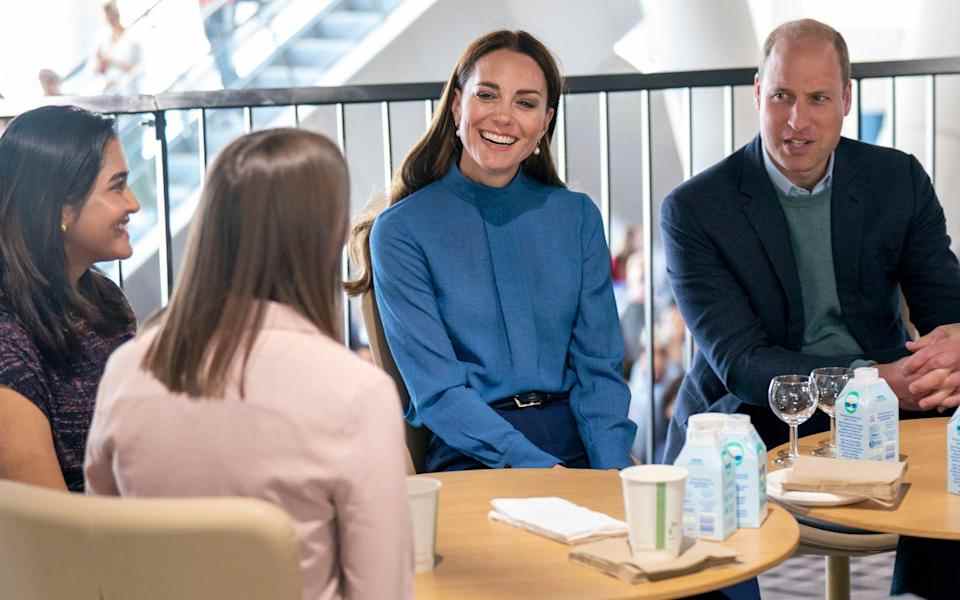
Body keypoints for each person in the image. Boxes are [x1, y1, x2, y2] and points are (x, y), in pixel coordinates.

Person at [661, 19, 960, 600]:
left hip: (887, 403)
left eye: (818, 98)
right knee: (707, 483)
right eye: (781, 97)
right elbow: (742, 362)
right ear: (757, 93)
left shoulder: (896, 179)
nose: (797, 121)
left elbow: (947, 308)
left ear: (846, 99)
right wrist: (873, 382)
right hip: (759, 406)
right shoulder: (696, 208)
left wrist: (954, 347)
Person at [85, 128, 413, 600]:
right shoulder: (356, 392)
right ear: (327, 237)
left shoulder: (127, 370)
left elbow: (101, 552)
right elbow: (381, 591)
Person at [347, 30, 635, 472]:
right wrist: (546, 474)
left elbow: (600, 370)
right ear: (458, 105)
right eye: (487, 95)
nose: (503, 117)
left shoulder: (576, 217)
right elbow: (438, 393)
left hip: (578, 443)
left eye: (525, 103)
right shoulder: (400, 231)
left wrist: (613, 474)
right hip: (472, 454)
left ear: (544, 122)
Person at [0, 105, 140, 492]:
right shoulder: (7, 342)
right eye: (116, 186)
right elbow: (47, 525)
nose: (133, 203)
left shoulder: (104, 300)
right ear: (61, 205)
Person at [92, 1, 142, 94]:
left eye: (111, 14)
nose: (109, 18)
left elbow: (137, 69)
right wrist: (100, 64)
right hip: (108, 90)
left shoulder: (133, 39)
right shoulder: (103, 40)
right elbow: (96, 70)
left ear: (118, 14)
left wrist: (112, 61)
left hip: (127, 90)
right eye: (107, 15)